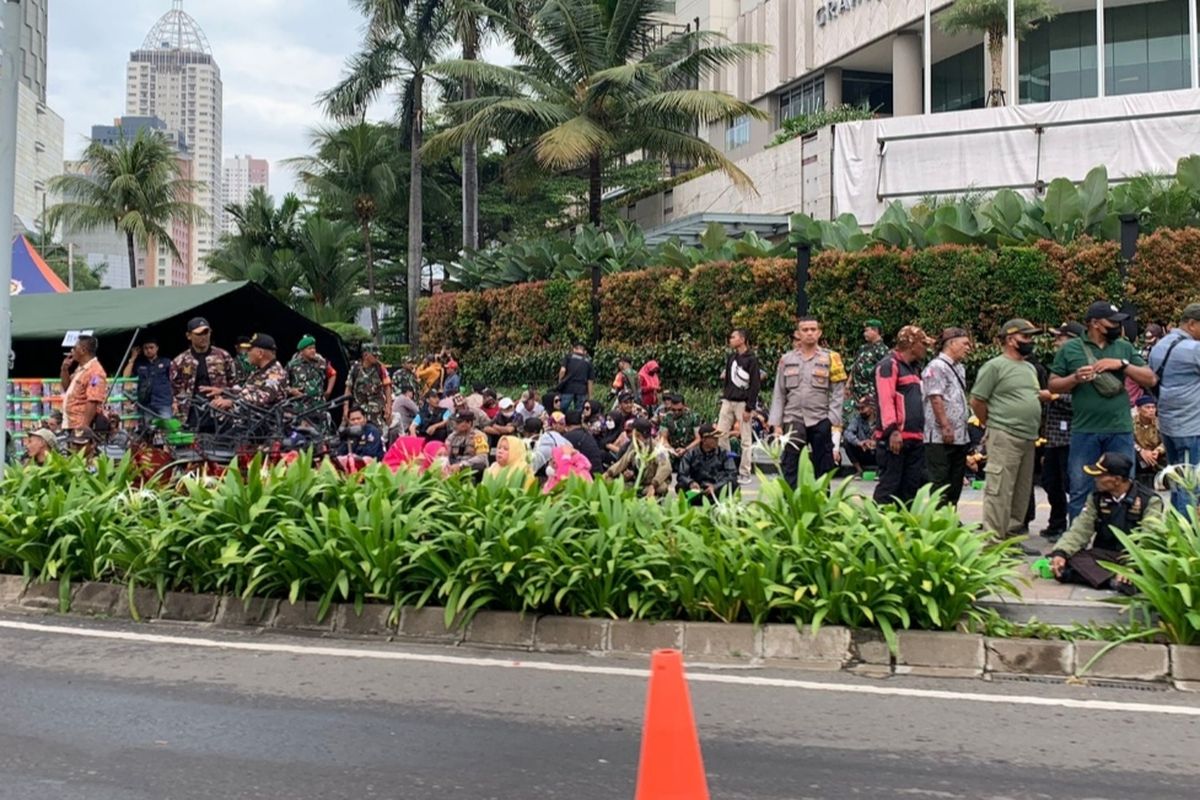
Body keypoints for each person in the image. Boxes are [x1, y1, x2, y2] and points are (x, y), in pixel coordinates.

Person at [1049, 301, 1157, 521]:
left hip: (1120, 429)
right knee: (1079, 488)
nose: (1118, 326)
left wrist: (1122, 365)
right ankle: (1076, 545)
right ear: (1095, 324)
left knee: (1126, 486)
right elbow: (1052, 385)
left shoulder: (1123, 347)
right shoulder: (1071, 349)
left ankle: (1124, 540)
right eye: (1113, 322)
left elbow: (1151, 378)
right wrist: (1075, 378)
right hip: (1085, 430)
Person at [969, 319, 1044, 549]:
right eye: (1026, 337)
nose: (1030, 342)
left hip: (1028, 437)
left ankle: (1011, 536)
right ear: (1011, 339)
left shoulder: (1029, 367)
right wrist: (990, 423)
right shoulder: (995, 366)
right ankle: (993, 540)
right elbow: (977, 400)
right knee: (999, 488)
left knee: (1021, 491)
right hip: (1004, 434)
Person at [1050, 452, 1162, 593]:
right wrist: (1061, 553)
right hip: (1105, 554)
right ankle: (1114, 580)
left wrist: (1133, 565)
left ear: (1117, 479)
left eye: (1100, 476)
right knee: (1069, 560)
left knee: (1154, 568)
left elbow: (1149, 538)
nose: (1095, 479)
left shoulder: (1150, 501)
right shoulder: (1096, 498)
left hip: (1133, 556)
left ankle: (1107, 577)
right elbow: (1080, 529)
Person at [769, 317, 847, 486]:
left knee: (823, 467)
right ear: (798, 334)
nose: (809, 333)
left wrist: (832, 420)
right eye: (805, 330)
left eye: (813, 329)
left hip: (820, 419)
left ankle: (821, 504)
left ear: (819, 333)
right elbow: (779, 392)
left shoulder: (830, 358)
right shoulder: (786, 359)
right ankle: (791, 506)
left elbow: (838, 392)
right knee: (790, 466)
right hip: (793, 419)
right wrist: (776, 424)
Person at [1148, 302, 1200, 515]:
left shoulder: (1160, 345)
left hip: (1169, 425)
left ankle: (1178, 526)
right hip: (1191, 426)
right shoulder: (1193, 349)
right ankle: (1186, 537)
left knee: (1178, 479)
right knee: (1191, 484)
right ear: (1192, 324)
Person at [873, 325, 931, 504]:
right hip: (896, 440)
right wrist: (892, 431)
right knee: (890, 486)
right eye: (923, 344)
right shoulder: (889, 365)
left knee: (910, 488)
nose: (926, 349)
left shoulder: (914, 368)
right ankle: (879, 525)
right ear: (911, 345)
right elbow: (886, 399)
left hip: (914, 438)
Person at [1041, 322, 1084, 540]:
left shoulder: (1081, 365)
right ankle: (1056, 522)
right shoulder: (1059, 364)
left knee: (1072, 483)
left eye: (1060, 337)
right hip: (1052, 437)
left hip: (1072, 437)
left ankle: (1074, 528)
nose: (1056, 341)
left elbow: (1082, 401)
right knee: (1050, 482)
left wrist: (1054, 396)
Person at [923, 328, 972, 508]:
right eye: (965, 343)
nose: (969, 348)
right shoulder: (937, 367)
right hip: (940, 436)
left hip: (960, 436)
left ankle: (951, 516)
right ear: (951, 343)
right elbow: (936, 397)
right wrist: (945, 425)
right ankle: (938, 517)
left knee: (955, 480)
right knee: (940, 480)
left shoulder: (960, 368)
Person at [171, 317, 236, 429]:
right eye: (199, 333)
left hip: (221, 415)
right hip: (191, 416)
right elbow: (172, 388)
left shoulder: (223, 356)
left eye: (206, 332)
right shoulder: (180, 361)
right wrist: (175, 404)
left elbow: (236, 384)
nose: (204, 336)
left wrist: (227, 397)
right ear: (189, 336)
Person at [716, 328, 761, 485]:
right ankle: (728, 467)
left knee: (745, 439)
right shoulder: (731, 358)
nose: (730, 339)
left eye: (733, 337)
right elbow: (727, 380)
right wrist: (724, 397)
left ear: (742, 339)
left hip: (743, 403)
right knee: (721, 434)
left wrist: (749, 407)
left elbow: (755, 385)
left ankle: (745, 471)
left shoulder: (752, 359)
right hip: (728, 401)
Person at [209, 333, 289, 410]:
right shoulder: (260, 371)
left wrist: (232, 402)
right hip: (250, 420)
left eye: (250, 350)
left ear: (260, 353)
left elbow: (262, 397)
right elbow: (247, 391)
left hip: (263, 422)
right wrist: (223, 391)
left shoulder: (276, 373)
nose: (247, 353)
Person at [604, 418, 672, 499]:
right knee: (610, 481)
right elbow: (623, 461)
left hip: (652, 482)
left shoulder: (657, 448)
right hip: (637, 481)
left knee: (662, 487)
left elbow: (665, 467)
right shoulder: (634, 445)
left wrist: (653, 485)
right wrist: (608, 473)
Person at [677, 424, 738, 504]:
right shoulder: (691, 454)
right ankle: (696, 500)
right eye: (714, 438)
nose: (717, 440)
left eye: (717, 438)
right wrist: (691, 483)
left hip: (717, 489)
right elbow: (681, 475)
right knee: (680, 486)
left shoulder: (724, 453)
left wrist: (715, 486)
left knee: (734, 484)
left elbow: (732, 475)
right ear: (704, 440)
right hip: (699, 488)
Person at [60, 334, 108, 433]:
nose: (71, 351)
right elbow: (67, 388)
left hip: (80, 425)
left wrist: (85, 426)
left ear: (83, 350)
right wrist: (64, 370)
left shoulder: (95, 372)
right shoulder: (81, 368)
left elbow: (93, 400)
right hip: (71, 423)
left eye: (74, 348)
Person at [122, 336, 173, 423]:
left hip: (163, 402)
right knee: (148, 430)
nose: (149, 350)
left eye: (151, 347)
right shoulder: (139, 364)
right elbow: (125, 376)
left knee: (167, 427)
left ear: (157, 348)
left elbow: (174, 380)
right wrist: (133, 358)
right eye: (146, 348)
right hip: (146, 404)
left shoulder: (166, 362)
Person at [848, 319, 890, 420]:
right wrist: (849, 383)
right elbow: (855, 365)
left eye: (867, 330)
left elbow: (884, 373)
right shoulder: (863, 348)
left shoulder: (882, 350)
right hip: (856, 392)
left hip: (870, 392)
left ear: (875, 331)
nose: (864, 334)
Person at [345, 343, 393, 431]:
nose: (377, 358)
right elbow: (348, 389)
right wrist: (346, 409)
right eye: (374, 356)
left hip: (376, 411)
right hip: (358, 409)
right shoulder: (355, 369)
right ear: (366, 355)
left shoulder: (380, 368)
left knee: (377, 433)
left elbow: (387, 388)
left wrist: (389, 407)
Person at [287, 335, 337, 402]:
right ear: (302, 351)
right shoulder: (292, 365)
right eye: (309, 348)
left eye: (314, 348)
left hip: (319, 404)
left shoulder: (321, 361)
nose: (313, 350)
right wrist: (292, 391)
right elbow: (282, 383)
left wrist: (328, 392)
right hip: (300, 406)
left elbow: (332, 374)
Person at [658, 393, 699, 464]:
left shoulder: (693, 417)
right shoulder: (667, 418)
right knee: (660, 454)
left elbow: (698, 439)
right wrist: (671, 450)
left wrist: (685, 449)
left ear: (684, 406)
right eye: (674, 410)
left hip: (689, 449)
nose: (676, 412)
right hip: (673, 450)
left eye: (679, 410)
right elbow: (663, 438)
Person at [445, 411, 490, 476]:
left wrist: (461, 465)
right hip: (454, 464)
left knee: (480, 466)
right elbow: (446, 453)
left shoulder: (478, 436)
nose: (456, 424)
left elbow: (482, 457)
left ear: (468, 423)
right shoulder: (452, 437)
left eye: (459, 422)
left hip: (470, 466)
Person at [1132, 395, 1165, 485]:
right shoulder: (1131, 422)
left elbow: (1166, 440)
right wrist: (1141, 451)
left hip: (1156, 455)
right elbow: (1128, 440)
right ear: (1138, 409)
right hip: (1138, 454)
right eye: (1147, 407)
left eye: (1153, 407)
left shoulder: (1160, 422)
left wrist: (1158, 450)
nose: (1151, 410)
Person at [562, 409, 606, 474]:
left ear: (566, 425)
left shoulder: (567, 437)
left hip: (586, 476)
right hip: (597, 474)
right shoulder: (588, 435)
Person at [843, 396, 878, 477]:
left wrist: (876, 443)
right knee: (846, 442)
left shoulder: (880, 420)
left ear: (871, 408)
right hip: (863, 452)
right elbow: (848, 432)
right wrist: (859, 443)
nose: (860, 411)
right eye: (859, 409)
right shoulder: (857, 418)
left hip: (877, 453)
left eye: (863, 408)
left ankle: (880, 470)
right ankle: (859, 470)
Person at [557, 343, 594, 413]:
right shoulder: (588, 362)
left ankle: (560, 422)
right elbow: (590, 381)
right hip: (581, 390)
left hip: (568, 388)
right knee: (579, 412)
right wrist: (590, 396)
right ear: (584, 351)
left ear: (574, 349)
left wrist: (560, 381)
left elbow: (562, 370)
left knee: (561, 410)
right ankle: (576, 422)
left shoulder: (568, 357)